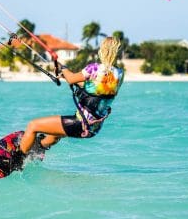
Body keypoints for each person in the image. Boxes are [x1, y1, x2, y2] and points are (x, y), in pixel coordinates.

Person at [14, 36, 124, 165]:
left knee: (33, 125)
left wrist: (64, 69)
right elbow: (97, 89)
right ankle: (38, 149)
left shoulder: (94, 68)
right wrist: (69, 78)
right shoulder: (119, 74)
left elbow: (72, 78)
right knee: (55, 134)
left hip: (79, 123)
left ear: (102, 50)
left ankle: (17, 160)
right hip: (93, 128)